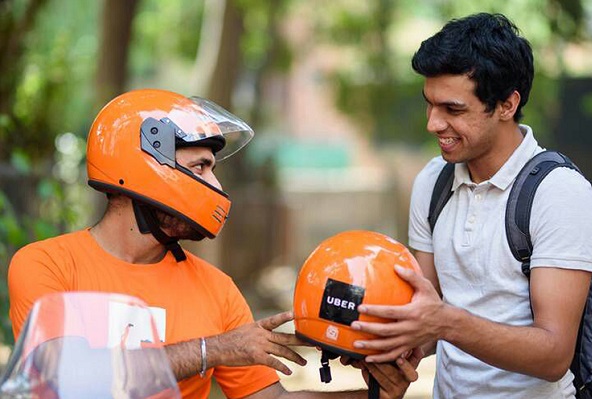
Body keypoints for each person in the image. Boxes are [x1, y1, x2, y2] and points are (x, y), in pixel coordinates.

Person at [7, 89, 419, 399]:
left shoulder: (217, 289)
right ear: (143, 168)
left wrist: (374, 395)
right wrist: (212, 350)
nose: (216, 186)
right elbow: (65, 379)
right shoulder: (46, 265)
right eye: (200, 167)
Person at [348, 13, 592, 398]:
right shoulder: (433, 181)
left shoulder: (558, 192)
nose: (433, 123)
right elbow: (426, 313)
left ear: (507, 104)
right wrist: (383, 345)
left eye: (453, 109)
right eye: (429, 105)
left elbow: (554, 354)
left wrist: (445, 323)